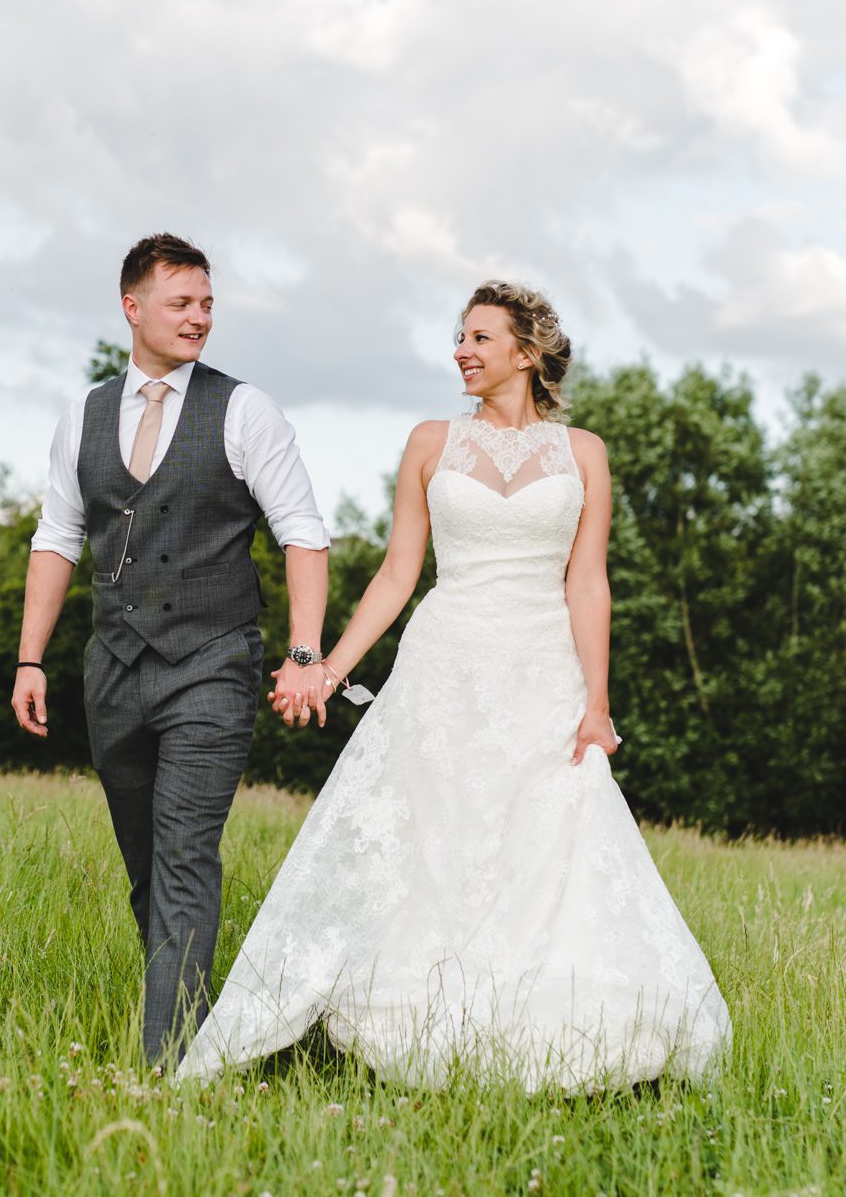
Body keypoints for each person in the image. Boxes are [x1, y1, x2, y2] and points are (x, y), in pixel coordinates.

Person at [177, 280, 730, 1090]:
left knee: (546, 843)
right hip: (444, 665)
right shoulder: (431, 441)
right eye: (459, 336)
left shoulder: (585, 453)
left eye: (479, 336)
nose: (461, 350)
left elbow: (588, 583)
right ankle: (425, 1018)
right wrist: (329, 666)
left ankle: (548, 1024)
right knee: (436, 837)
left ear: (527, 352)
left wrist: (597, 704)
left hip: (543, 670)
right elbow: (400, 572)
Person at [12, 233, 332, 1067]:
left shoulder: (244, 409)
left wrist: (304, 653)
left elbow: (302, 533)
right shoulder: (82, 413)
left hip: (213, 664)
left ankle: (168, 1065)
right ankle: (199, 1013)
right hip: (112, 671)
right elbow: (58, 535)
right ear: (133, 307)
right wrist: (29, 658)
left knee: (186, 849)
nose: (200, 318)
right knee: (148, 867)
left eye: (207, 304)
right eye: (182, 303)